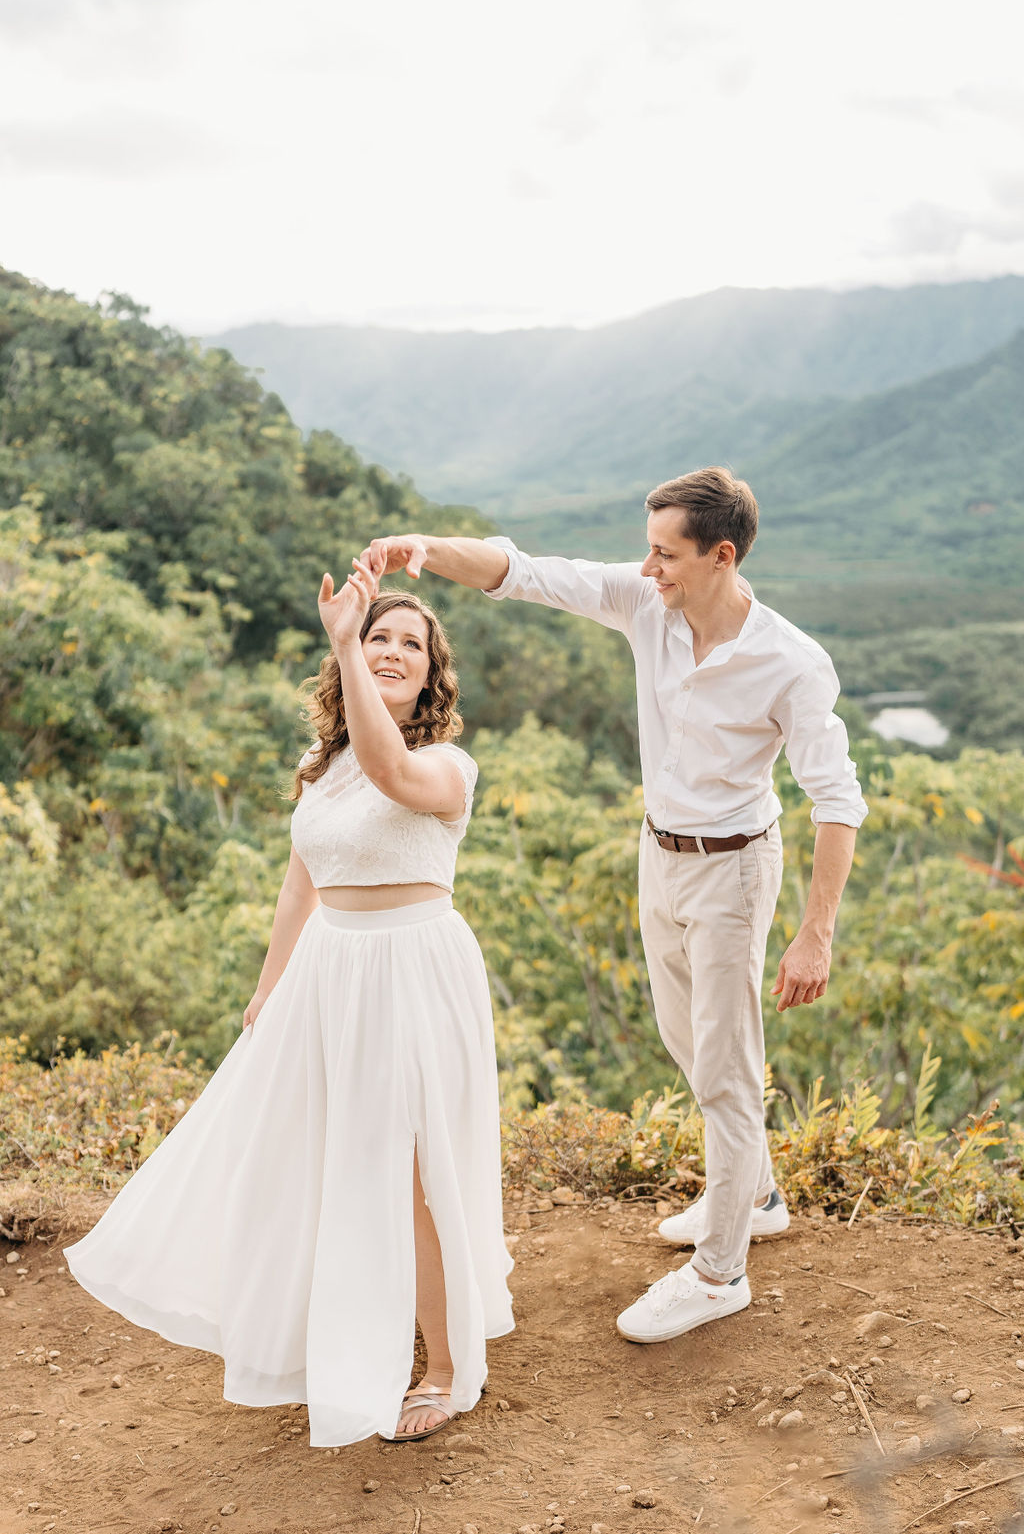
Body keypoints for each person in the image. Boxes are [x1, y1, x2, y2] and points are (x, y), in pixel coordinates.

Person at [362, 465, 868, 1344]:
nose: (649, 566)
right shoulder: (645, 604)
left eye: (666, 554)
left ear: (721, 555)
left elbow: (838, 800)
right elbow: (527, 572)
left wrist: (814, 934)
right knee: (687, 1041)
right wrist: (426, 551)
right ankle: (755, 1194)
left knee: (726, 1068)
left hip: (735, 871)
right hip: (658, 854)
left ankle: (719, 1273)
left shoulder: (790, 661)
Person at [64, 558, 514, 1445]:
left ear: (432, 673)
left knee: (420, 1172)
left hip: (414, 969)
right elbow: (296, 888)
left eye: (408, 644)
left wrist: (343, 642)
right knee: (319, 1155)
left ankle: (450, 1367)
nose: (391, 651)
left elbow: (391, 772)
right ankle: (335, 1333)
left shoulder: (445, 764)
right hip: (329, 973)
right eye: (378, 635)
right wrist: (268, 989)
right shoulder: (324, 764)